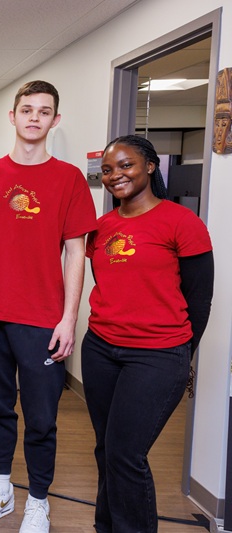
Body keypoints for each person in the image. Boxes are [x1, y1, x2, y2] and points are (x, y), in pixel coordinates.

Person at [0, 80, 97, 533]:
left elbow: (76, 252)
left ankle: (38, 501)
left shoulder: (70, 179)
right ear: (12, 117)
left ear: (55, 120)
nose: (34, 117)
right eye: (26, 109)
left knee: (41, 417)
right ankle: (1, 489)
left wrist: (68, 319)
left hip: (42, 320)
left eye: (44, 111)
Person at [82, 135, 213, 533]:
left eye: (126, 165)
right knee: (107, 449)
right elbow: (106, 283)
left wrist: (182, 358)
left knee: (126, 453)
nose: (115, 175)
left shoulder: (182, 222)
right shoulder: (101, 228)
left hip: (156, 354)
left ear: (151, 167)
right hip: (101, 350)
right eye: (107, 170)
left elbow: (199, 300)